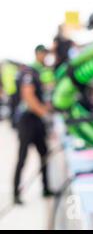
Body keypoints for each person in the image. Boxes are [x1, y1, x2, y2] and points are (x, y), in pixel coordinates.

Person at [13, 45, 53, 204]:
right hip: (27, 121)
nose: (46, 57)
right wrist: (45, 114)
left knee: (44, 154)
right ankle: (15, 193)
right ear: (38, 54)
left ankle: (46, 188)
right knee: (22, 157)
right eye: (44, 54)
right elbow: (28, 98)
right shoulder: (29, 72)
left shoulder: (40, 72)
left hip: (37, 121)